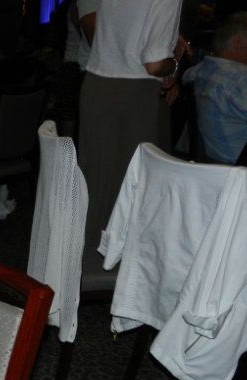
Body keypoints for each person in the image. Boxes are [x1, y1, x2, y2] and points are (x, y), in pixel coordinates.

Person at [77, 0, 185, 249]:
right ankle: (114, 279)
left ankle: (78, 271)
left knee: (95, 190)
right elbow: (155, 62)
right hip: (133, 95)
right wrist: (174, 62)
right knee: (128, 198)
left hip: (96, 85)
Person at [183, 12, 247, 164]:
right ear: (238, 43)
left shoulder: (202, 71)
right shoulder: (237, 80)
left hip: (217, 163)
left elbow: (187, 74)